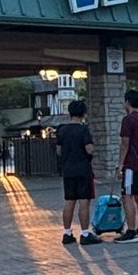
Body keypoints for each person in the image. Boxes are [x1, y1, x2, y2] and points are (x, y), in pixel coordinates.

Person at [54, 99, 100, 245]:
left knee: (69, 201)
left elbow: (59, 150)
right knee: (84, 201)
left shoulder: (62, 130)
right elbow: (89, 149)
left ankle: (67, 233)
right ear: (83, 113)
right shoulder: (83, 130)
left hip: (68, 170)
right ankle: (85, 234)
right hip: (83, 170)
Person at [115, 89, 138, 243]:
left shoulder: (128, 120)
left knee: (127, 196)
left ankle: (131, 231)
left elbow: (125, 143)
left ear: (127, 102)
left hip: (132, 163)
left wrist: (120, 164)